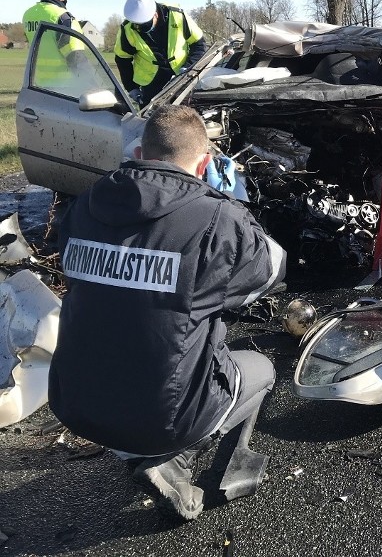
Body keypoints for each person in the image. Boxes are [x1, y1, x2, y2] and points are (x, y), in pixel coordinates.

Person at [49, 104, 286, 521]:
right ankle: (216, 473)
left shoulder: (84, 206)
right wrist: (231, 207)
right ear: (206, 164)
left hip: (75, 404)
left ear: (139, 155)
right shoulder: (217, 217)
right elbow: (270, 272)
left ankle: (145, 452)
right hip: (163, 417)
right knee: (262, 368)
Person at [114, 0, 207, 106]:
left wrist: (187, 68)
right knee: (150, 119)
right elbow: (122, 59)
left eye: (145, 25)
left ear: (155, 15)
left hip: (180, 80)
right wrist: (131, 88)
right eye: (137, 25)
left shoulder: (177, 16)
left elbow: (198, 44)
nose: (140, 29)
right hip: (150, 85)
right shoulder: (128, 28)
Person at [22, 0, 87, 81]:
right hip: (66, 88)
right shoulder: (63, 17)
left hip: (39, 86)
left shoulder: (28, 15)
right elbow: (75, 56)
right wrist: (93, 84)